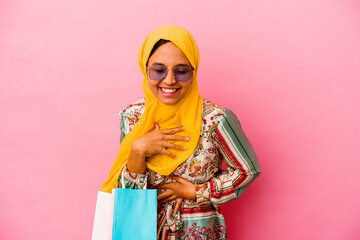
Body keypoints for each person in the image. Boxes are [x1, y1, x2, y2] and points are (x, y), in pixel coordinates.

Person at [100, 25, 261, 240]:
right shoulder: (133, 118)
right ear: (144, 69)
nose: (169, 80)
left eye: (181, 71)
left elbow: (247, 171)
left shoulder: (215, 119)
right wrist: (138, 151)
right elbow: (126, 193)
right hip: (142, 232)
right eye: (158, 70)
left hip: (198, 231)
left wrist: (198, 192)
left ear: (193, 72)